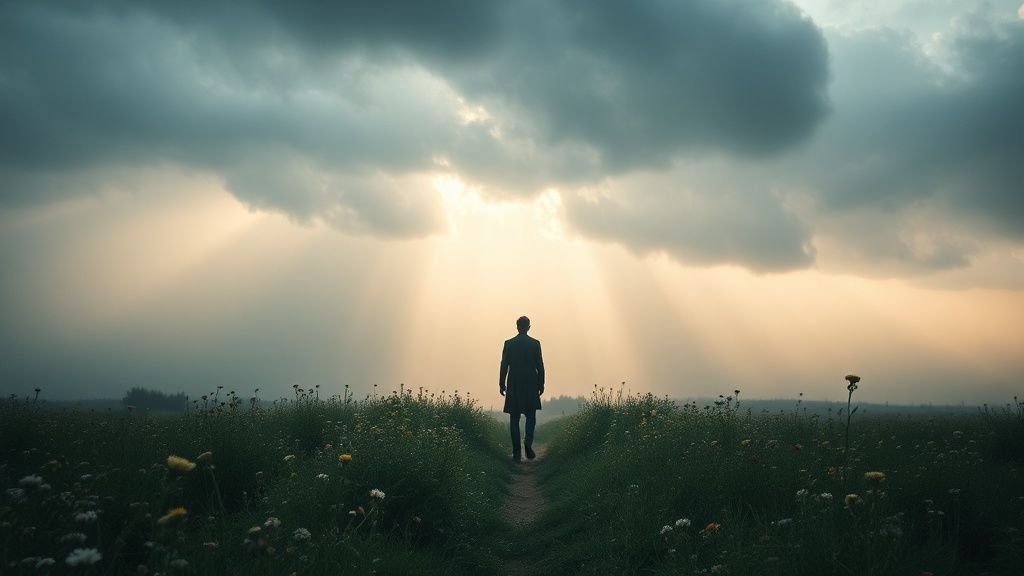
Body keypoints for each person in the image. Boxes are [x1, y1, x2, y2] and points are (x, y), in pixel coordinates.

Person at [499, 315, 545, 462]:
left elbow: (504, 365)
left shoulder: (509, 343)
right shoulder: (535, 344)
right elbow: (540, 366)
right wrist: (541, 383)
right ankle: (528, 442)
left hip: (514, 383)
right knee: (531, 416)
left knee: (514, 418)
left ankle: (517, 453)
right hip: (531, 384)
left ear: (517, 326)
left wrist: (501, 383)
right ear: (529, 327)